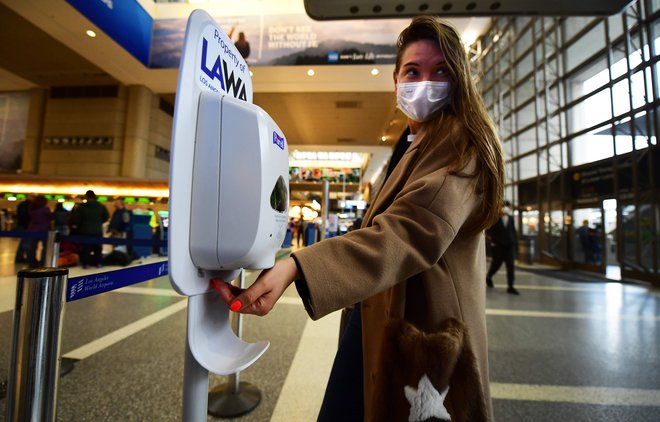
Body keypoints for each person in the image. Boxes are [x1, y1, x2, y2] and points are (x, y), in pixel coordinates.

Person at [214, 16, 504, 422]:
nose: (425, 82)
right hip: (381, 314)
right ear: (396, 79)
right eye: (413, 71)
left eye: (441, 70)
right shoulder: (417, 142)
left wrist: (298, 266)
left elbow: (406, 233)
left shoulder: (460, 143)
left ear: (460, 78)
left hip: (421, 330)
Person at [485, 201, 519, 295]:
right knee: (496, 264)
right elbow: (488, 231)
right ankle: (489, 277)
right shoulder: (494, 218)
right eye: (504, 206)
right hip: (498, 245)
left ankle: (510, 286)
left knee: (511, 266)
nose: (506, 208)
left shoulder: (511, 218)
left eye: (507, 206)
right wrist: (492, 242)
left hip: (509, 246)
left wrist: (515, 244)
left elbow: (513, 231)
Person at [71, 190, 109, 268]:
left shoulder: (81, 207)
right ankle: (98, 263)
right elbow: (106, 217)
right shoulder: (101, 206)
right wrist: (98, 222)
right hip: (97, 230)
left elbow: (76, 219)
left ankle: (86, 264)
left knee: (86, 249)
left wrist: (78, 225)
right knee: (98, 248)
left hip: (85, 230)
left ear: (86, 196)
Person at [27, 195, 53, 267]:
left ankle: (32, 263)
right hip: (44, 230)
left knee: (32, 247)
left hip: (32, 230)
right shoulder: (45, 209)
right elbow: (51, 217)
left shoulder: (32, 209)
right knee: (45, 247)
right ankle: (43, 262)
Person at [14, 193, 34, 263]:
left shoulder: (23, 205)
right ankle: (26, 258)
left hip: (23, 226)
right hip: (25, 226)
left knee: (23, 242)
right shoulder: (26, 205)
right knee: (26, 242)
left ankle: (19, 257)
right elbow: (24, 217)